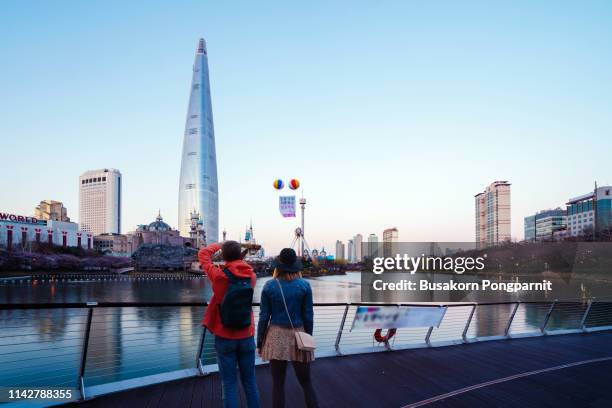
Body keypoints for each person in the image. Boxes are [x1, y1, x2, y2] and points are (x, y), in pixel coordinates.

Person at [199, 240, 260, 408]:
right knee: (250, 382)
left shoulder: (219, 276)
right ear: (240, 255)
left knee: (229, 384)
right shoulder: (252, 276)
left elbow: (203, 254)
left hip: (224, 335)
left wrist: (220, 244)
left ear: (224, 256)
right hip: (247, 334)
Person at [257, 248, 319, 408]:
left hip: (276, 335)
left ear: (278, 266)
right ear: (295, 266)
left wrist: (259, 342)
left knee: (278, 385)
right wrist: (308, 337)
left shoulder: (269, 286)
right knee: (307, 384)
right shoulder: (304, 286)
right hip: (299, 335)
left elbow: (264, 317)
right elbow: (308, 316)